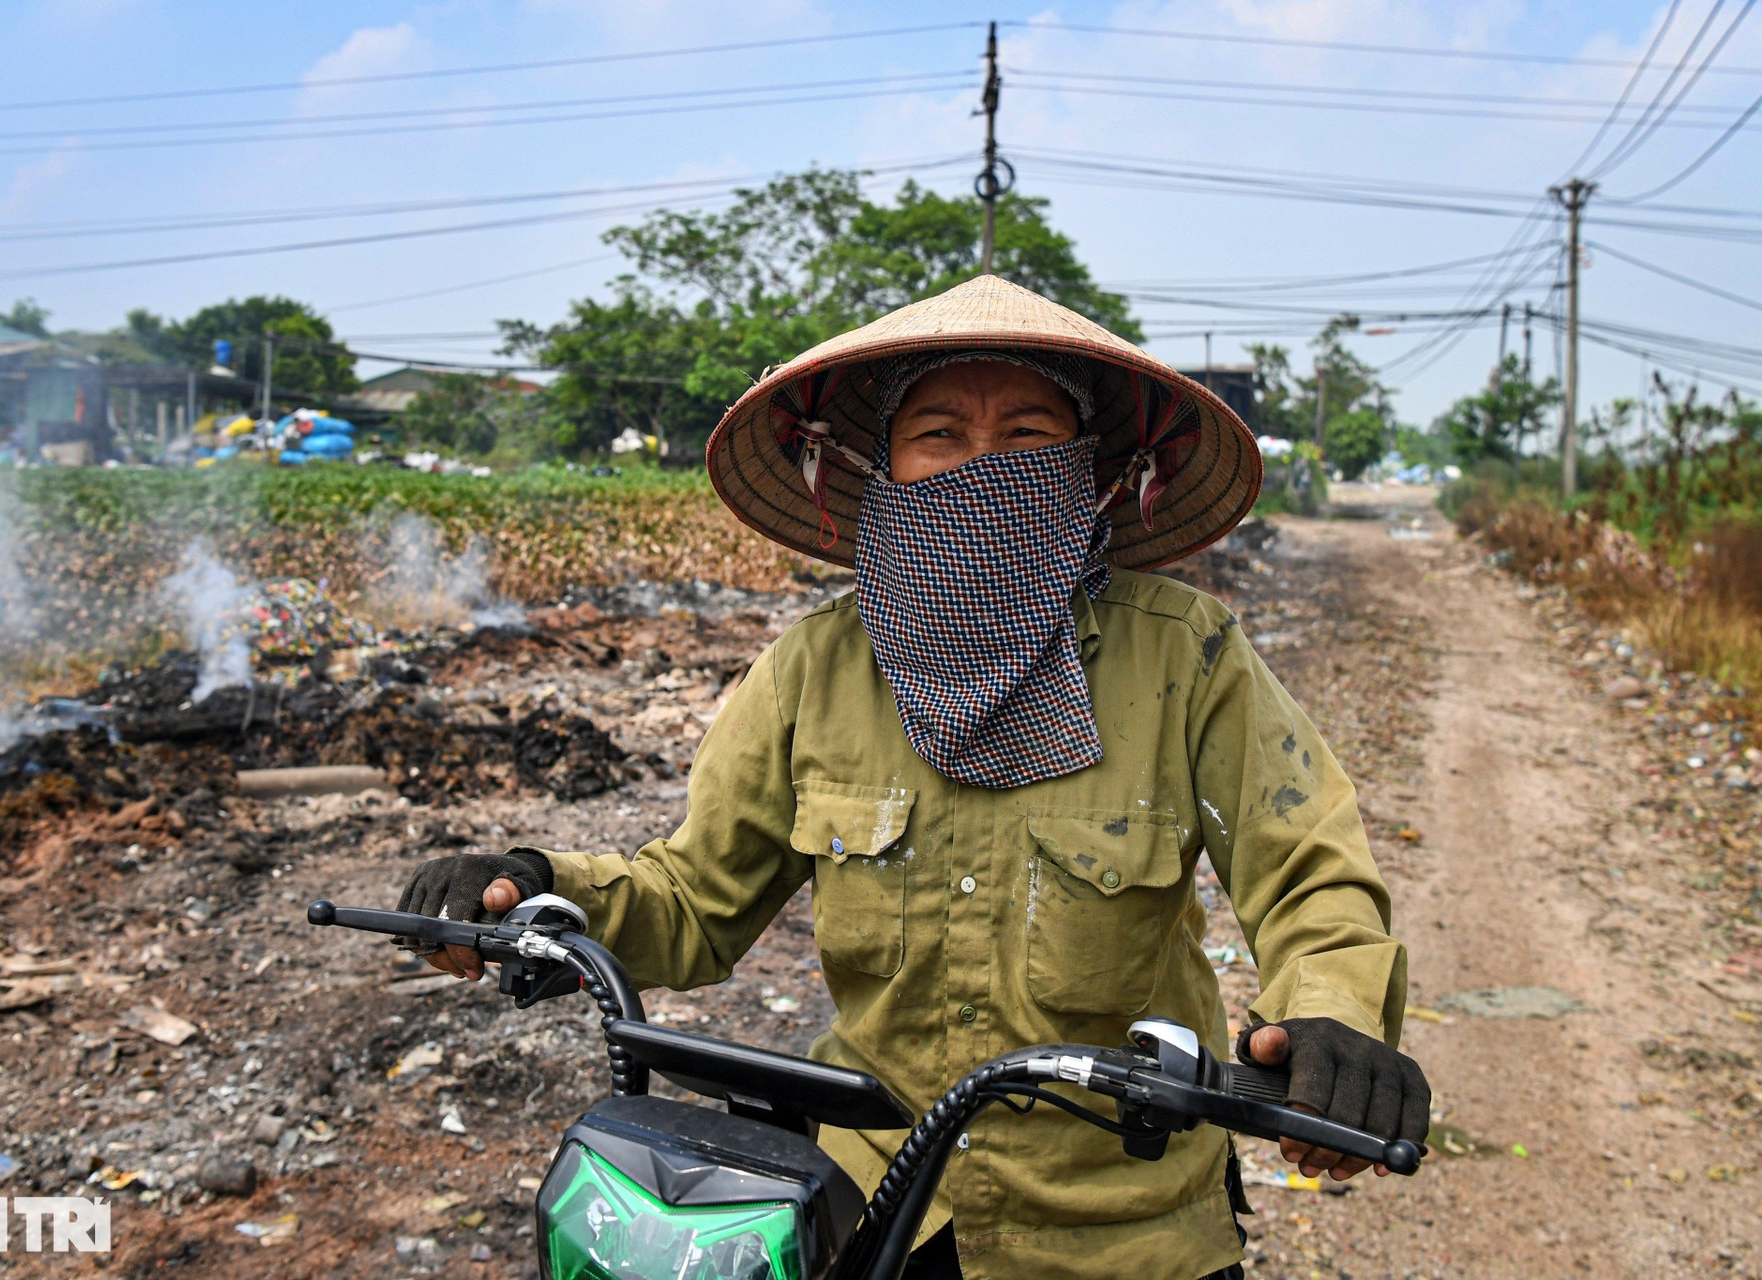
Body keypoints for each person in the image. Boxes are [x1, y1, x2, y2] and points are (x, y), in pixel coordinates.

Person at [395, 276, 1429, 1280]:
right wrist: (530, 878)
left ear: (1088, 472)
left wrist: (1333, 1015)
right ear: (882, 469)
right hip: (873, 1201)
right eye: (940, 435)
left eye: (1027, 437)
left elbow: (1308, 874)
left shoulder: (1186, 656)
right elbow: (697, 896)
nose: (984, 466)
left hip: (1118, 1225)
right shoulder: (816, 667)